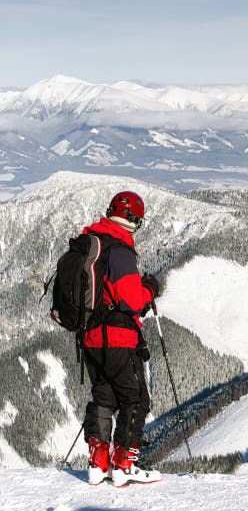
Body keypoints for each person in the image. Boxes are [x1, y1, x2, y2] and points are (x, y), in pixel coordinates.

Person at [82, 191, 162, 487]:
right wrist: (150, 290)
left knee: (103, 396)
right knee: (136, 398)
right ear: (135, 219)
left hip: (89, 337)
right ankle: (124, 465)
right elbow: (130, 300)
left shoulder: (95, 242)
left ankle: (98, 462)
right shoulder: (119, 249)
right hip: (116, 337)